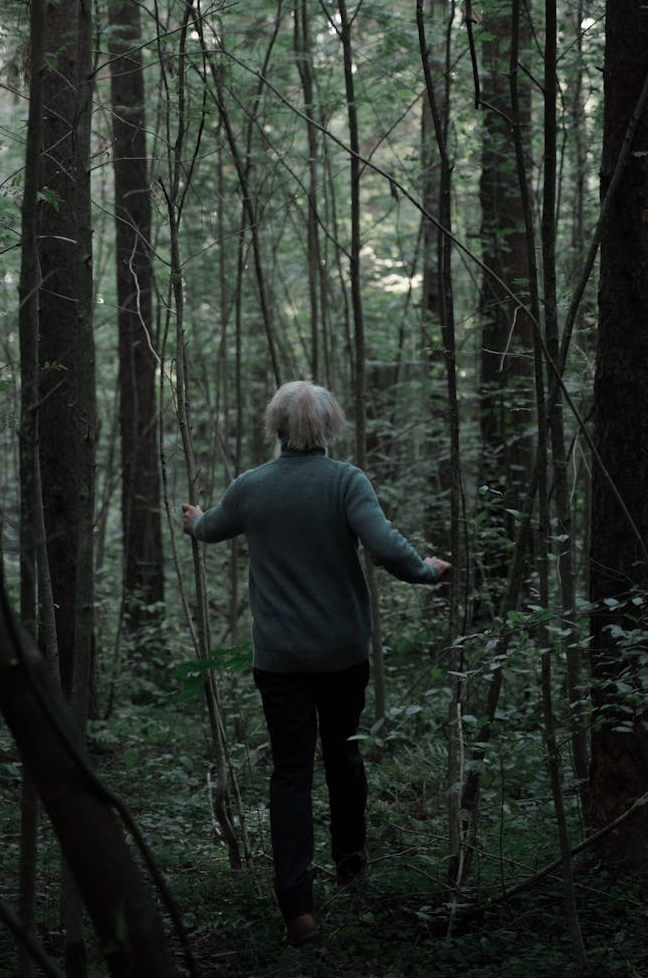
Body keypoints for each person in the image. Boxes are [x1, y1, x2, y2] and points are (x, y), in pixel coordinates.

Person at [182, 380, 451, 947]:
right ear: (328, 428)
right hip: (342, 654)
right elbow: (384, 547)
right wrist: (426, 570)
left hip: (279, 660)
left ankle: (298, 908)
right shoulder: (346, 482)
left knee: (291, 772)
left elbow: (208, 530)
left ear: (276, 428)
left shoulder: (251, 487)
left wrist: (192, 518)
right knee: (344, 756)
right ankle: (352, 867)